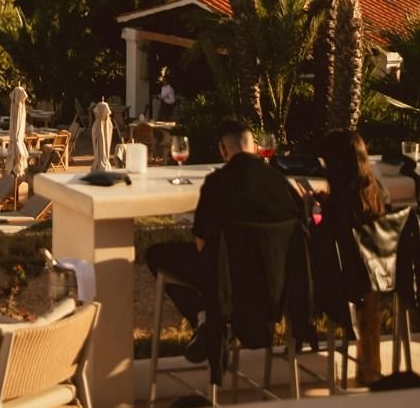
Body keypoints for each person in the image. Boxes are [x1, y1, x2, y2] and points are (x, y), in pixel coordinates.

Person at [145, 116, 306, 362]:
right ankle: (208, 318)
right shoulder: (282, 184)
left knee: (156, 255)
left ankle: (206, 318)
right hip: (275, 284)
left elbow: (201, 242)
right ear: (253, 147)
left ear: (222, 149)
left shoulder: (217, 183)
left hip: (227, 282)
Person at [314, 129, 389, 383]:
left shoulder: (338, 208)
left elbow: (323, 241)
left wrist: (309, 212)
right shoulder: (375, 191)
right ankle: (370, 370)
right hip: (382, 276)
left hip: (347, 283)